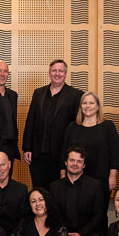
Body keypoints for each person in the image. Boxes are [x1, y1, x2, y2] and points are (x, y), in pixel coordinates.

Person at [47, 148, 106, 236]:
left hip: (87, 232)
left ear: (84, 165)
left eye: (79, 161)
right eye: (72, 160)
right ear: (66, 163)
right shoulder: (54, 187)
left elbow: (98, 215)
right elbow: (54, 215)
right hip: (63, 233)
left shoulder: (95, 186)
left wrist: (80, 235)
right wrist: (64, 235)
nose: (75, 164)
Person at [23, 59, 82, 188]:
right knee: (39, 190)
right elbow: (30, 120)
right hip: (38, 154)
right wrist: (27, 147)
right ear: (49, 73)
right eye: (54, 70)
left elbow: (77, 127)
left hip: (61, 155)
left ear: (65, 74)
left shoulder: (76, 95)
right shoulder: (38, 93)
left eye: (60, 71)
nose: (57, 74)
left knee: (58, 191)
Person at [62, 91, 119, 193]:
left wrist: (113, 176)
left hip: (101, 177)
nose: (87, 106)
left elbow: (114, 153)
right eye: (84, 103)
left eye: (91, 103)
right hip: (75, 177)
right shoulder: (72, 127)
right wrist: (63, 174)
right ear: (80, 107)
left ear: (98, 107)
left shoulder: (108, 126)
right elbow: (64, 153)